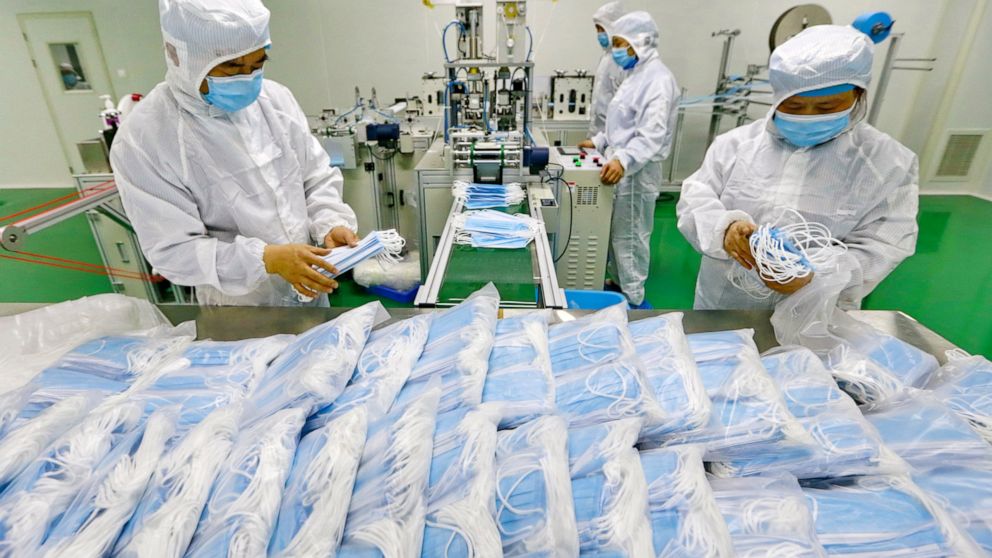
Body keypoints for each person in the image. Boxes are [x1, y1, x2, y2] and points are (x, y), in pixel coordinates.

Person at [111, 0, 359, 306]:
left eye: (257, 64)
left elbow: (315, 177)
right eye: (231, 67)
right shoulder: (145, 138)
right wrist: (265, 259)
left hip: (309, 291)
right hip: (237, 307)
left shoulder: (275, 100)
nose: (247, 79)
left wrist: (330, 223)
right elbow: (173, 250)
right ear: (182, 58)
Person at [677, 25, 919, 310]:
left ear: (858, 94)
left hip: (816, 313)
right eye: (793, 106)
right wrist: (724, 229)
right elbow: (696, 198)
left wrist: (815, 278)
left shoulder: (888, 163)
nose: (808, 116)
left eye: (827, 107)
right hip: (725, 305)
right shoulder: (735, 145)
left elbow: (885, 243)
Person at [578, 11, 680, 308]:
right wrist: (599, 141)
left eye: (620, 44)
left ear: (640, 42)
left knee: (631, 235)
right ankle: (617, 282)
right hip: (621, 166)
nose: (616, 51)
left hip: (637, 172)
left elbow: (651, 134)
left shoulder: (658, 80)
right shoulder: (635, 76)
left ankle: (633, 298)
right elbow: (621, 123)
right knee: (614, 231)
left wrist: (624, 160)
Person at [588, 1, 626, 139]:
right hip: (597, 134)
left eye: (601, 29)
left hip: (612, 137)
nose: (599, 34)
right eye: (597, 29)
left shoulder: (623, 61)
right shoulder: (605, 57)